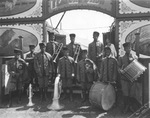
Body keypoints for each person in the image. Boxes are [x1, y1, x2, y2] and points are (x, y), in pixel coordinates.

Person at [118, 42, 138, 113]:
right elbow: (119, 67)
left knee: (132, 94)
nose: (128, 49)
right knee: (125, 93)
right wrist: (120, 70)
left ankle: (131, 106)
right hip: (124, 79)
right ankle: (126, 107)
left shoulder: (135, 56)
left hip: (132, 79)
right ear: (124, 49)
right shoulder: (121, 57)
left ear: (131, 48)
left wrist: (132, 59)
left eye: (129, 47)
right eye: (126, 48)